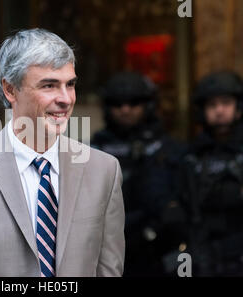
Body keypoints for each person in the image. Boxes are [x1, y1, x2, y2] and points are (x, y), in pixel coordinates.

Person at [0, 28, 125, 277]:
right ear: (10, 90)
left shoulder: (104, 170)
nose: (65, 99)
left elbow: (109, 270)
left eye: (69, 84)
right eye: (49, 85)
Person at [91, 72, 186, 276]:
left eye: (133, 103)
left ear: (147, 105)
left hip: (158, 248)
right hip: (108, 247)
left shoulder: (167, 147)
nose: (125, 110)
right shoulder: (94, 150)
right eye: (118, 104)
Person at [179, 71, 243, 276]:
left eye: (225, 103)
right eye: (212, 105)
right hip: (206, 255)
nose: (219, 110)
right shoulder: (192, 155)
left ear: (239, 105)